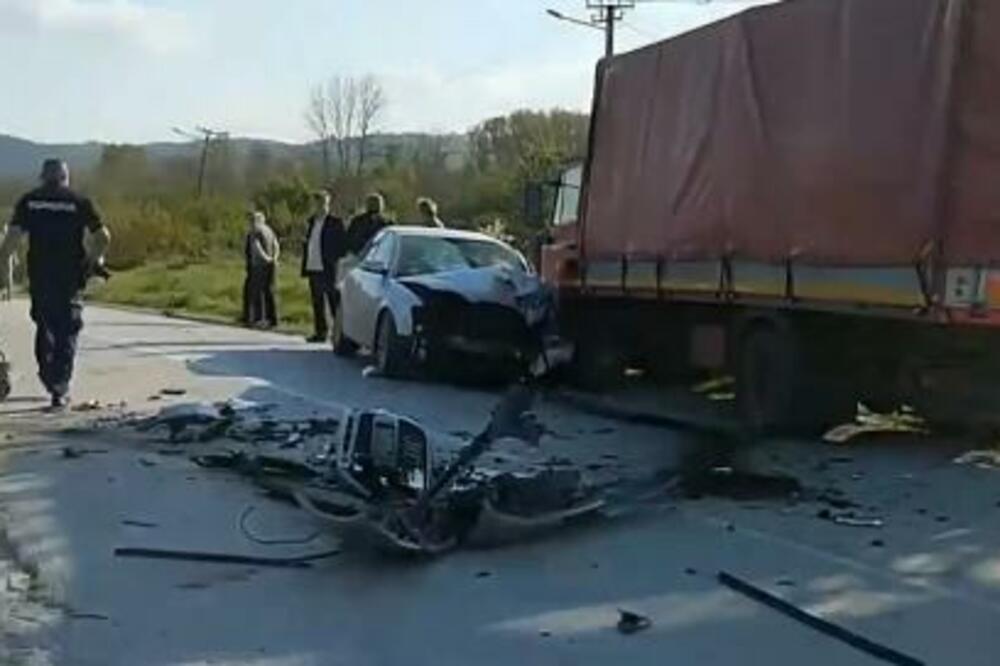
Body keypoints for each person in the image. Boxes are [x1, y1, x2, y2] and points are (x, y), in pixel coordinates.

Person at [0, 159, 111, 410]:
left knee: (45, 324)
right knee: (67, 329)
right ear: (65, 177)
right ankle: (59, 386)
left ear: (42, 177)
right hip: (70, 275)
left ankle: (48, 374)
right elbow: (103, 237)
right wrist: (92, 261)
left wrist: (3, 269)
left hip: (40, 274)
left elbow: (11, 240)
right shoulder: (79, 201)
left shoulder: (29, 201)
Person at [301, 189, 347, 343]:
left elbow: (342, 247)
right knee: (317, 302)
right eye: (317, 203)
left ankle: (340, 334)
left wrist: (335, 261)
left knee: (334, 301)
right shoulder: (311, 221)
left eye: (323, 203)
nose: (320, 206)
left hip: (329, 267)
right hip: (313, 265)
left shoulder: (335, 223)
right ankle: (321, 332)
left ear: (328, 204)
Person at [242, 209, 280, 329]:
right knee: (270, 291)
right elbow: (276, 245)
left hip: (258, 266)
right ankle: (272, 319)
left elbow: (257, 248)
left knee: (256, 293)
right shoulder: (269, 230)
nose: (251, 223)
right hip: (271, 266)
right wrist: (274, 258)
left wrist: (266, 258)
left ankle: (257, 319)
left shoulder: (256, 232)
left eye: (253, 220)